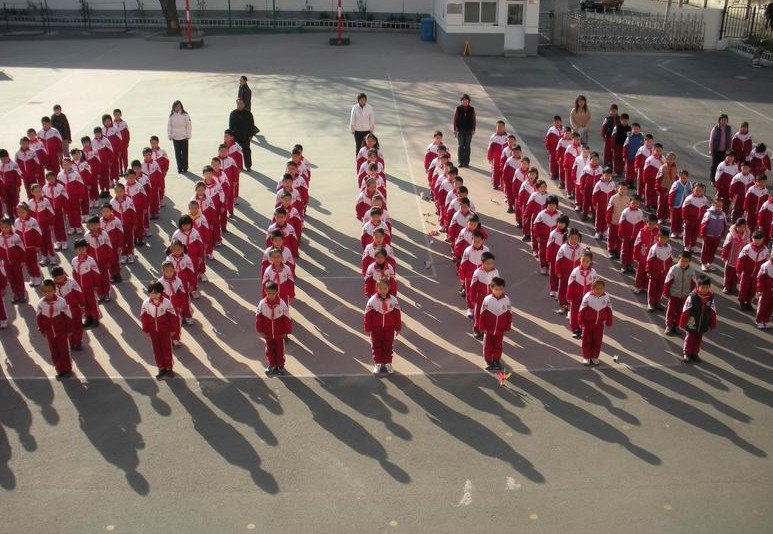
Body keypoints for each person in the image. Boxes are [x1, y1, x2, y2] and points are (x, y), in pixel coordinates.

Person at [140, 281, 179, 380]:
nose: (154, 295)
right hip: (153, 331)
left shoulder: (166, 302)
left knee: (167, 349)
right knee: (156, 350)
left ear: (161, 292)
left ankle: (169, 368)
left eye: (156, 293)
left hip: (164, 330)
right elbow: (143, 317)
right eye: (152, 293)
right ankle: (161, 368)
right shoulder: (146, 303)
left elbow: (173, 316)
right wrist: (145, 329)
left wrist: (173, 329)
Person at [364, 277, 402, 375]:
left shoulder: (393, 300)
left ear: (388, 288)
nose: (382, 290)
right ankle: (378, 363)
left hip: (389, 328)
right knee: (376, 345)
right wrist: (368, 328)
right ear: (377, 288)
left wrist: (398, 327)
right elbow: (368, 315)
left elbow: (397, 314)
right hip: (376, 328)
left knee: (388, 345)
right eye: (380, 288)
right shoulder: (372, 301)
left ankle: (388, 363)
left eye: (385, 288)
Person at [36, 279, 73, 379]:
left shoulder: (61, 301)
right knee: (54, 351)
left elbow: (68, 316)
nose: (47, 293)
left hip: (61, 331)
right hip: (49, 332)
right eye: (44, 291)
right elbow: (39, 317)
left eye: (49, 291)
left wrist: (69, 329)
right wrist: (42, 329)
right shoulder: (41, 303)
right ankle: (59, 369)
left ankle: (67, 369)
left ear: (54, 290)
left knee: (64, 350)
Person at [679, 274, 717, 364]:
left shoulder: (710, 298)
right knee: (690, 338)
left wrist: (713, 323)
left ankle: (695, 353)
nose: (704, 290)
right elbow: (686, 310)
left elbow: (713, 311)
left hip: (703, 323)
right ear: (698, 287)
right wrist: (682, 323)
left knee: (698, 339)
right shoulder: (692, 297)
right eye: (702, 287)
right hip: (692, 322)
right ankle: (687, 353)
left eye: (706, 287)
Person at [479, 276, 513, 371]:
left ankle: (496, 360)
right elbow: (482, 313)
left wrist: (507, 326)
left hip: (500, 329)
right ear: (491, 288)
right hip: (488, 328)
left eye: (500, 289)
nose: (498, 291)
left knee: (498, 345)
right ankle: (488, 361)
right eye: (496, 289)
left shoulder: (506, 300)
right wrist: (482, 326)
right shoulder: (487, 299)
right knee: (487, 345)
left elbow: (509, 314)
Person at [578, 279, 613, 366]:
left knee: (597, 341)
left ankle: (594, 356)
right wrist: (580, 321)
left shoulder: (606, 297)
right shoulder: (587, 297)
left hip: (599, 325)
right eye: (597, 289)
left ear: (604, 289)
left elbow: (609, 309)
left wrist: (609, 320)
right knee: (587, 341)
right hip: (588, 324)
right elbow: (581, 310)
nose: (599, 291)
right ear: (592, 288)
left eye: (601, 288)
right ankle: (586, 357)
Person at [663, 250, 697, 335]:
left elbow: (694, 283)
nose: (684, 263)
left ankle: (677, 325)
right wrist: (666, 292)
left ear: (689, 262)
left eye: (686, 261)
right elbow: (668, 281)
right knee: (671, 310)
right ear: (679, 259)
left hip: (685, 296)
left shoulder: (691, 270)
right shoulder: (674, 269)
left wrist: (692, 294)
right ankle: (669, 325)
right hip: (674, 294)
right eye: (682, 260)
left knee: (681, 311)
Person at [228, 98, 256, 171]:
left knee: (247, 151)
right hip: (236, 137)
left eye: (241, 104)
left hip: (246, 137)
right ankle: (238, 166)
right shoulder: (233, 113)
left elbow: (251, 125)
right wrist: (231, 136)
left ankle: (248, 166)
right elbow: (230, 126)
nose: (239, 105)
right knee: (237, 152)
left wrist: (250, 135)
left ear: (244, 104)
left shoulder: (248, 114)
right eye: (238, 104)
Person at [167, 100, 192, 174]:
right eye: (176, 106)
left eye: (179, 106)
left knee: (184, 153)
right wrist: (170, 135)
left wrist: (188, 135)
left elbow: (189, 125)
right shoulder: (171, 116)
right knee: (177, 154)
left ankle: (185, 167)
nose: (177, 108)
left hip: (184, 137)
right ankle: (179, 168)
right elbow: (169, 127)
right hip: (175, 138)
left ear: (181, 107)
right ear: (173, 108)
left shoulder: (185, 115)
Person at [453, 94, 476, 168]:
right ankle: (460, 162)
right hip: (460, 130)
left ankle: (466, 162)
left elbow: (474, 120)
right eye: (463, 100)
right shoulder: (458, 109)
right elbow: (455, 119)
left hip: (469, 131)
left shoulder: (472, 109)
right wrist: (455, 129)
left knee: (467, 146)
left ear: (469, 101)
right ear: (461, 101)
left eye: (466, 100)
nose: (465, 102)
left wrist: (473, 129)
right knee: (461, 146)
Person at [709, 114, 732, 179]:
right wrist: (710, 150)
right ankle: (713, 179)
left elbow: (730, 138)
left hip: (724, 151)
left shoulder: (728, 128)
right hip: (716, 150)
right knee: (714, 165)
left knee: (723, 165)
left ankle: (720, 178)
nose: (724, 121)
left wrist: (729, 149)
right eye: (722, 120)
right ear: (719, 120)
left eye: (725, 120)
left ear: (727, 121)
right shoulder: (715, 129)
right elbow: (711, 140)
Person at [756, 251, 773, 328]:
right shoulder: (766, 266)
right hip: (766, 290)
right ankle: (759, 320)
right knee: (763, 305)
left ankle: (766, 319)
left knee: (771, 306)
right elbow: (760, 278)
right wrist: (760, 289)